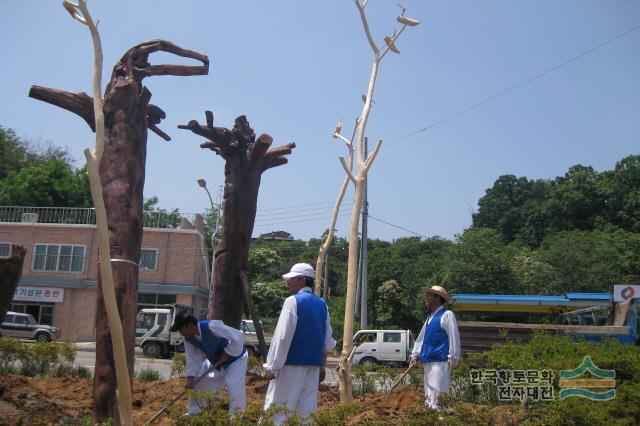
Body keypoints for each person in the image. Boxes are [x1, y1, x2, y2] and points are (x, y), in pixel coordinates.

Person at [263, 263, 336, 425]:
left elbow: (282, 338)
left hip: (290, 365)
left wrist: (272, 366)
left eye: (292, 279)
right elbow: (327, 340)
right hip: (313, 367)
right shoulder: (322, 304)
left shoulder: (292, 301)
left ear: (302, 280)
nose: (288, 283)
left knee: (278, 409)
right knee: (306, 414)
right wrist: (322, 366)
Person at [171, 312, 248, 416]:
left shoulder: (212, 326)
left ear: (190, 326)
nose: (180, 333)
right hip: (216, 361)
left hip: (236, 359)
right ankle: (195, 411)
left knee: (233, 384)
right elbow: (193, 358)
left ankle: (236, 417)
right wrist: (191, 377)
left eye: (181, 329)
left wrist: (228, 351)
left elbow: (238, 336)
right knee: (200, 380)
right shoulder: (189, 339)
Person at [410, 285, 461, 410]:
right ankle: (431, 419)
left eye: (429, 295)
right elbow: (421, 339)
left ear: (437, 298)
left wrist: (453, 357)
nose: (425, 298)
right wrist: (415, 355)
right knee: (430, 394)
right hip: (428, 361)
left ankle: (441, 419)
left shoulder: (447, 315)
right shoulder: (429, 318)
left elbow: (454, 336)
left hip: (441, 362)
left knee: (439, 394)